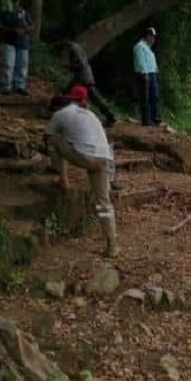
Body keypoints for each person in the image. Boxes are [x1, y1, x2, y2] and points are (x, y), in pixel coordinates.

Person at [45, 85, 118, 257]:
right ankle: (112, 245)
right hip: (104, 159)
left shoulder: (60, 114)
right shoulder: (93, 116)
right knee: (104, 202)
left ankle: (63, 180)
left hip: (83, 157)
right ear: (84, 101)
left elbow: (47, 137)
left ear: (69, 100)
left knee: (53, 139)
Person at [59, 26, 117, 127]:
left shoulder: (73, 48)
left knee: (70, 93)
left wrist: (68, 66)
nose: (62, 41)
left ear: (67, 38)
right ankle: (108, 116)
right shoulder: (77, 47)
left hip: (82, 77)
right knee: (93, 97)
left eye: (63, 39)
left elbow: (80, 64)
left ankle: (62, 115)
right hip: (84, 76)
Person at [0, 0, 33, 95]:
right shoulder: (4, 12)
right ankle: (6, 86)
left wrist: (25, 30)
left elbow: (31, 26)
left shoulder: (23, 12)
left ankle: (20, 85)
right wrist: (12, 30)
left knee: (22, 65)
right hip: (9, 41)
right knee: (9, 64)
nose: (15, 2)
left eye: (17, 0)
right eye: (13, 0)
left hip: (23, 42)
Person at [133, 26, 161, 126]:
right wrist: (144, 73)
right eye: (152, 36)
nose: (153, 39)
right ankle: (146, 119)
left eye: (154, 37)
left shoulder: (148, 49)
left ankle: (154, 118)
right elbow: (141, 62)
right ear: (147, 36)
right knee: (145, 98)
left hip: (152, 73)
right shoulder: (139, 46)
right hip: (144, 74)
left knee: (154, 96)